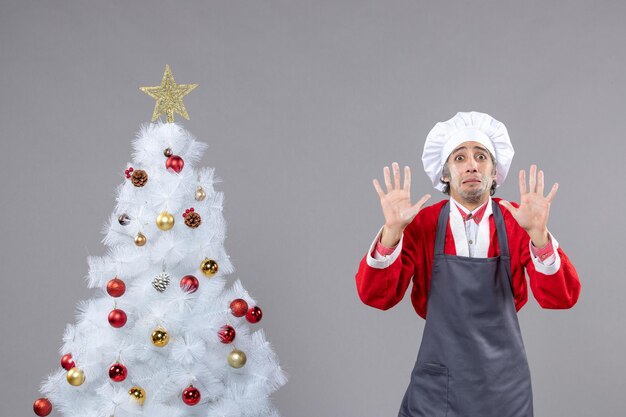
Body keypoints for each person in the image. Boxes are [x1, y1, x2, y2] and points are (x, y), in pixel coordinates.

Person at [355, 111, 581, 417]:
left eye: (481, 156)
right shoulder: (423, 223)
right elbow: (375, 296)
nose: (471, 164)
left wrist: (539, 237)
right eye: (459, 157)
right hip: (437, 388)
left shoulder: (519, 222)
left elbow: (562, 297)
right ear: (445, 173)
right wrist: (392, 232)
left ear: (494, 170)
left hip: (504, 390)